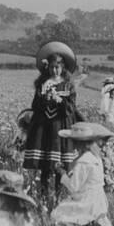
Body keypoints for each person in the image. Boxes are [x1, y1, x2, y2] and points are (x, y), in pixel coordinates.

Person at [22, 41, 78, 203]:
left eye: (58, 67)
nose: (55, 70)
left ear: (63, 68)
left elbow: (71, 109)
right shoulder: (42, 85)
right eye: (52, 67)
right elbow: (34, 106)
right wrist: (45, 99)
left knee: (61, 165)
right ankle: (44, 195)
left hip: (61, 128)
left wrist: (60, 100)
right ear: (48, 68)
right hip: (45, 129)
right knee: (46, 164)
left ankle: (60, 197)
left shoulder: (68, 86)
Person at [51, 122, 114, 226]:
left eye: (73, 142)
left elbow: (74, 187)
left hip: (87, 200)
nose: (72, 144)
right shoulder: (95, 157)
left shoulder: (83, 161)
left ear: (79, 143)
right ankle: (95, 221)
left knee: (57, 214)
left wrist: (62, 174)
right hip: (99, 200)